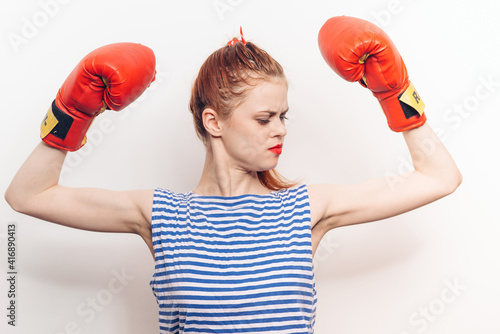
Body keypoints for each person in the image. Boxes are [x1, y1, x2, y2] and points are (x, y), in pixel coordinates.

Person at [5, 17, 462, 334]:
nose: (280, 129)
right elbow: (28, 195)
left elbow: (439, 177)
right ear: (213, 122)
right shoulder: (161, 215)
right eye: (264, 119)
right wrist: (75, 112)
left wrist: (394, 92)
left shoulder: (305, 209)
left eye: (284, 116)